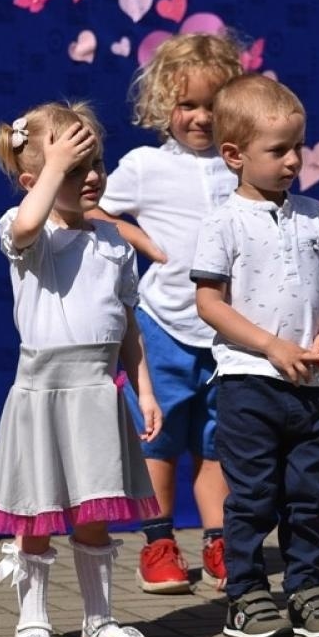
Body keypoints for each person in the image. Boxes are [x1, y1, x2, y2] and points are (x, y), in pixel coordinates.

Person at [0, 101, 163, 637]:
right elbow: (30, 221)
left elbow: (127, 324)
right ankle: (32, 622)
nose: (93, 178)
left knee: (94, 512)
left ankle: (99, 619)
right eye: (75, 169)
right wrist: (54, 167)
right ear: (35, 179)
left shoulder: (114, 244)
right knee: (36, 514)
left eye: (96, 164)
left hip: (96, 393)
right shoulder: (24, 230)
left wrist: (144, 389)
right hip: (42, 394)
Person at [191, 74, 319, 637]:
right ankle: (246, 594)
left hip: (314, 384)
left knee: (307, 497)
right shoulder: (222, 221)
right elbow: (208, 301)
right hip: (250, 383)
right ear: (234, 155)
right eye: (277, 151)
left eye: (298, 148)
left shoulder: (316, 215)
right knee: (255, 496)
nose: (292, 161)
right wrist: (270, 345)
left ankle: (307, 588)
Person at [95, 32, 243, 594]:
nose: (201, 117)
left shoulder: (241, 165)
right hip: (163, 327)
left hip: (229, 333)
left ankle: (219, 540)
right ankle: (158, 543)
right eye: (188, 105)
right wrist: (139, 238)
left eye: (212, 105)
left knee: (217, 443)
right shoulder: (145, 165)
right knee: (157, 441)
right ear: (164, 104)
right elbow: (94, 209)